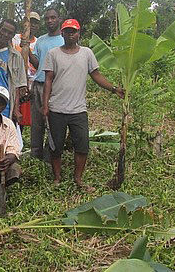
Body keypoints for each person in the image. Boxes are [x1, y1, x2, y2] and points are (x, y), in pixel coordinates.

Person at [41, 19, 124, 190]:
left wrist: (113, 88)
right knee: (56, 146)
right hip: (57, 108)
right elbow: (48, 80)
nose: (70, 34)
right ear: (62, 33)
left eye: (73, 31)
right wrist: (45, 105)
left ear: (79, 33)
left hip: (78, 110)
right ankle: (57, 178)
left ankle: (78, 179)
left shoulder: (86, 53)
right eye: (67, 31)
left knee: (82, 146)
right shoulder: (53, 54)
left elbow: (96, 75)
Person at [29, 8, 64, 161]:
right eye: (47, 18)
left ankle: (50, 156)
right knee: (36, 123)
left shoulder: (64, 40)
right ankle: (35, 155)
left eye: (53, 18)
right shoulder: (41, 40)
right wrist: (28, 52)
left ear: (59, 19)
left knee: (53, 122)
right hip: (38, 85)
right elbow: (38, 63)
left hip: (56, 87)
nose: (50, 21)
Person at [12, 11, 41, 128]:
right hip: (15, 83)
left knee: (27, 119)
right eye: (30, 22)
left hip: (30, 86)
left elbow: (39, 65)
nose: (32, 25)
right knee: (14, 116)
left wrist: (27, 49)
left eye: (35, 23)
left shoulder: (39, 43)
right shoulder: (14, 39)